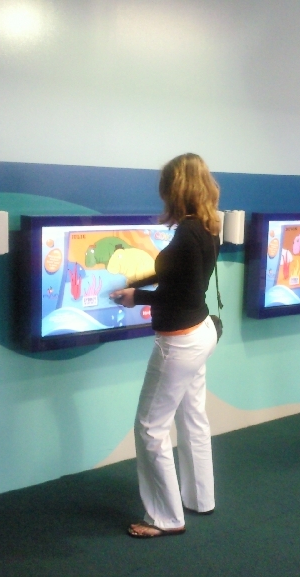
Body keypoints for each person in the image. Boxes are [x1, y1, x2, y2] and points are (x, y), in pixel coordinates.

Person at [110, 153, 221, 538]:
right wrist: (139, 291)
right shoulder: (207, 227)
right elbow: (181, 286)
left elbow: (177, 294)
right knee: (192, 417)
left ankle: (166, 517)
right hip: (200, 331)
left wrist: (135, 297)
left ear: (174, 189)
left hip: (179, 341)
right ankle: (199, 498)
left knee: (150, 427)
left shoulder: (187, 234)